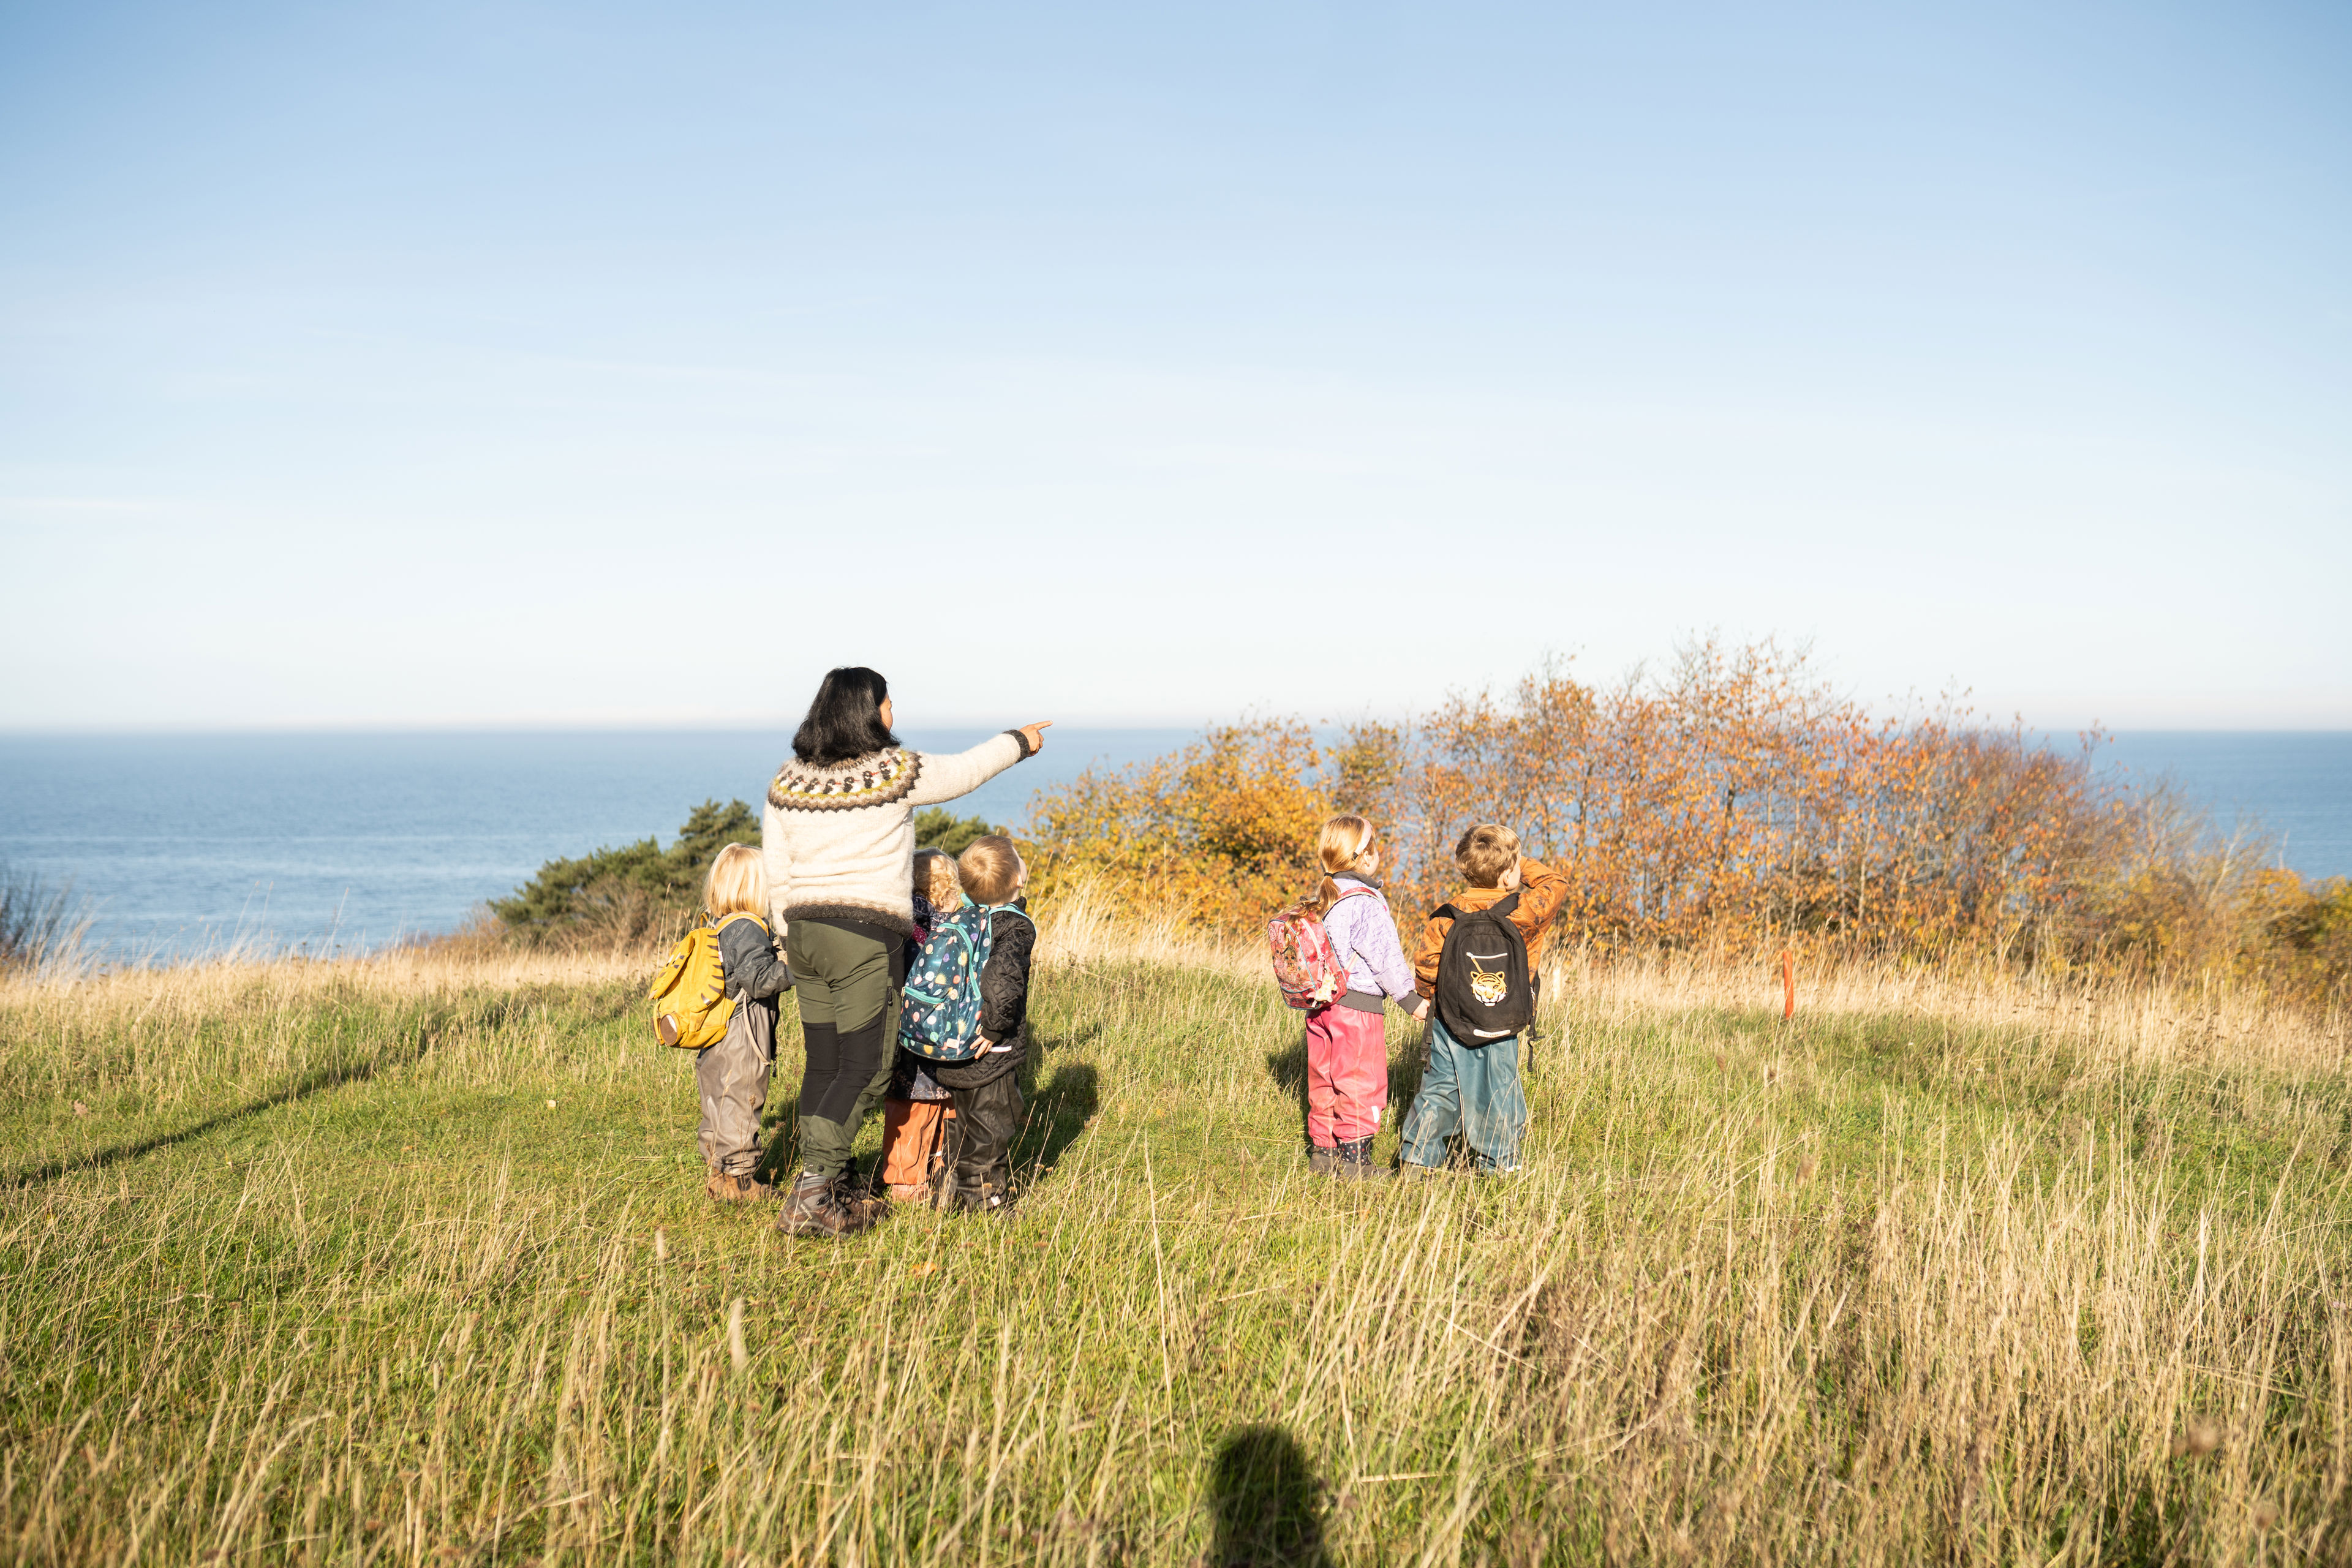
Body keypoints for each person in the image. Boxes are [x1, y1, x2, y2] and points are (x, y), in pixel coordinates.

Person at [762, 666, 1049, 1239]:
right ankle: (815, 1194)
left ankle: (834, 1181)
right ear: (868, 711)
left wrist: (786, 937)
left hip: (804, 936)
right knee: (864, 1068)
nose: (894, 712)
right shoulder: (891, 771)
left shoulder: (787, 781)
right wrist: (1019, 742)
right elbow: (966, 771)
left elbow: (776, 869)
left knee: (823, 1064)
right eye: (888, 702)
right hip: (861, 938)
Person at [1397, 824, 1570, 1175]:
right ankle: (1499, 1165)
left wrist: (1430, 1000)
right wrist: (1519, 863)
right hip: (1502, 1021)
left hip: (1449, 1019)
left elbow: (1427, 965)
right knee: (1500, 1091)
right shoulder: (1525, 911)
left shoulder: (1448, 914)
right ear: (1509, 875)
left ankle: (1417, 1158)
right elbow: (1556, 884)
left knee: (1441, 1086)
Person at [1298, 814, 1428, 1180]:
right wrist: (1410, 1000)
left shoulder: (1326, 895)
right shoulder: (1367, 901)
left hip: (1320, 1005)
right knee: (1359, 1079)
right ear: (1364, 857)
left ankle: (1323, 1154)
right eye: (1374, 847)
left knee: (1324, 1078)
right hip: (1357, 1007)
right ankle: (1355, 1162)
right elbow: (1385, 957)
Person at [930, 835, 1035, 1213]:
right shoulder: (1014, 927)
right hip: (992, 1049)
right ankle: (986, 1201)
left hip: (953, 1043)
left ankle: (950, 1190)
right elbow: (1003, 985)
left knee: (962, 1124)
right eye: (1020, 859)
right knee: (992, 1128)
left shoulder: (962, 918)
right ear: (1018, 879)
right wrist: (993, 1030)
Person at [698, 843, 794, 1200]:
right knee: (744, 1096)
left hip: (717, 1029)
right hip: (744, 1029)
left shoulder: (719, 924)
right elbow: (759, 980)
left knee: (719, 1099)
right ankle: (741, 1181)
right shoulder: (747, 926)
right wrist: (799, 969)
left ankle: (718, 1175)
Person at [873, 848, 962, 1202]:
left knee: (910, 1105)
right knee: (945, 1104)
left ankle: (904, 1179)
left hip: (910, 1029)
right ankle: (938, 1169)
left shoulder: (903, 921)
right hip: (952, 1033)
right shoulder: (962, 923)